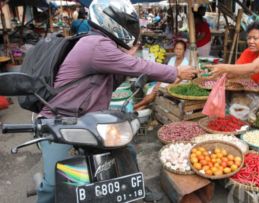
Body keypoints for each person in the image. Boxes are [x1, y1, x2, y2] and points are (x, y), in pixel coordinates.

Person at [36, 0, 198, 202]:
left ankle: (136, 186)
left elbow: (114, 78)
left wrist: (127, 61)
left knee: (126, 148)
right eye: (127, 24)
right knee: (53, 184)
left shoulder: (103, 45)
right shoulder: (95, 44)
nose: (131, 29)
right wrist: (176, 72)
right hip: (60, 120)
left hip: (89, 121)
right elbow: (138, 65)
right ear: (110, 21)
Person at [134, 40, 189, 111]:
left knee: (155, 92)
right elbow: (165, 73)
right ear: (174, 49)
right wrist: (158, 84)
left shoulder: (186, 62)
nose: (178, 51)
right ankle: (138, 108)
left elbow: (181, 79)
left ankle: (136, 106)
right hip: (168, 81)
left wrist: (168, 87)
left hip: (177, 84)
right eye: (177, 49)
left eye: (180, 49)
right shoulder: (172, 59)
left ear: (184, 51)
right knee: (154, 90)